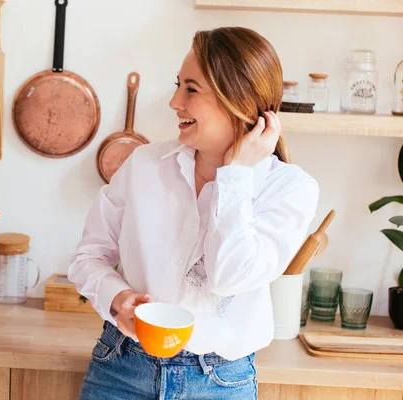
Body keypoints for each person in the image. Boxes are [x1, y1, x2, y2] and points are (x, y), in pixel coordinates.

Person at [69, 27, 319, 399]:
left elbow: (229, 277)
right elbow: (89, 257)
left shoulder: (289, 189)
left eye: (190, 88)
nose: (174, 102)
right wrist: (117, 297)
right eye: (177, 85)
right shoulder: (144, 165)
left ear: (238, 99)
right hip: (121, 369)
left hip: (220, 383)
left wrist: (236, 176)